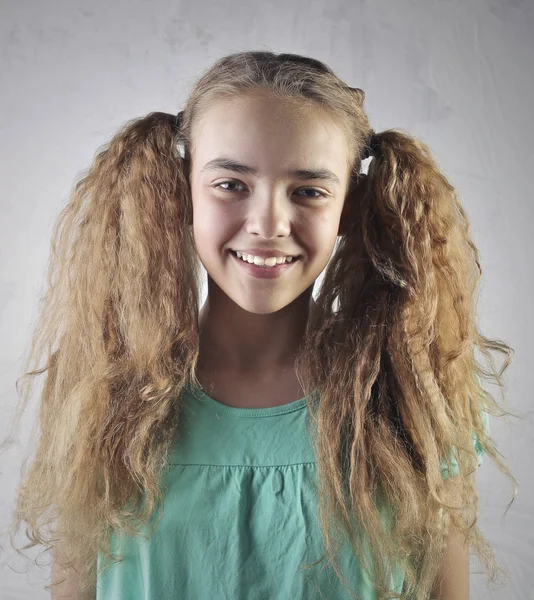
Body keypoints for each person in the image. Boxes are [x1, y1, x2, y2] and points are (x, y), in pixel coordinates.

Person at [4, 51, 516, 600]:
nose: (269, 224)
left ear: (350, 206)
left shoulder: (412, 401)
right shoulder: (106, 394)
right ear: (181, 191)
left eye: (309, 191)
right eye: (231, 184)